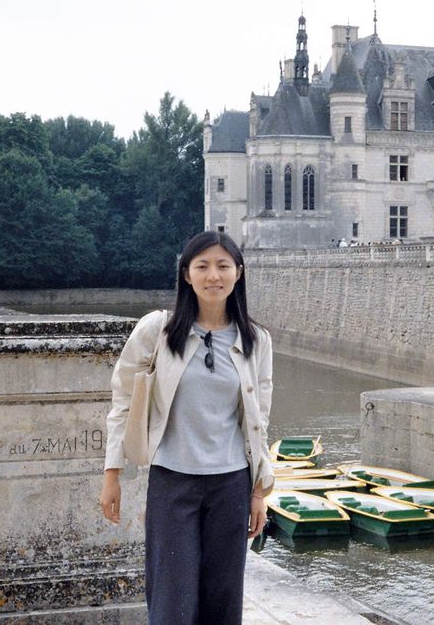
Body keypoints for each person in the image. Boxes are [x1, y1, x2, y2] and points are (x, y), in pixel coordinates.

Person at [100, 231, 273, 625]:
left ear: (238, 273)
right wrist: (113, 474)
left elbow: (259, 420)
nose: (214, 275)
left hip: (231, 484)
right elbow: (122, 401)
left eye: (223, 266)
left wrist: (259, 491)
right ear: (186, 274)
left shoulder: (256, 340)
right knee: (172, 602)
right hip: (172, 481)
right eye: (203, 266)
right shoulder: (158, 330)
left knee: (223, 601)